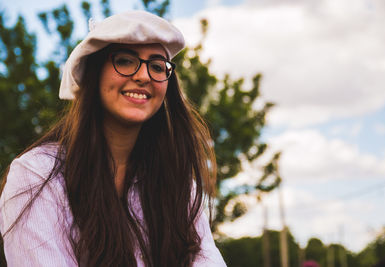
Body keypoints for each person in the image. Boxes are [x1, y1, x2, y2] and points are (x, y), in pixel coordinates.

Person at [0, 10, 226, 267]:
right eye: (125, 60)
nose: (143, 76)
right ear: (93, 74)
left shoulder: (177, 182)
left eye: (156, 66)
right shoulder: (37, 175)